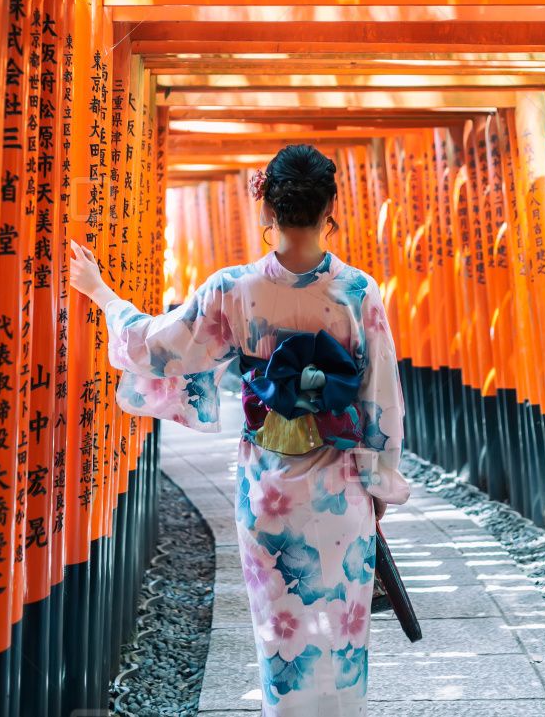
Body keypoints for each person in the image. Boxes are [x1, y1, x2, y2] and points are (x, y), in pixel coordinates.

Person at [67, 143, 409, 716]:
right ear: (331, 208)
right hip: (340, 489)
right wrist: (380, 487)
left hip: (268, 491)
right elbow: (382, 400)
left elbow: (161, 348)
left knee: (280, 635)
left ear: (266, 210)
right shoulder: (358, 291)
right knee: (341, 635)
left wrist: (101, 293)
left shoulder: (235, 288)